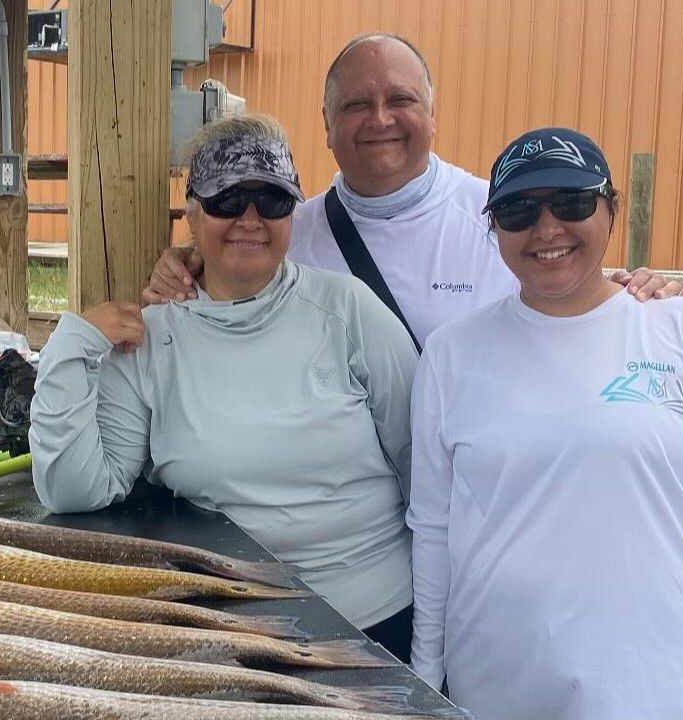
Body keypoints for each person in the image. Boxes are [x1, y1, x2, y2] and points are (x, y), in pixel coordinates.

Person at [408, 127, 683, 720]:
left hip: (658, 690)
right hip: (492, 688)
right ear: (494, 229)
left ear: (612, 209)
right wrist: (425, 678)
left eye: (572, 202)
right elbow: (434, 532)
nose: (546, 229)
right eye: (517, 210)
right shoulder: (450, 353)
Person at [29, 113, 420, 659]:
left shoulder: (348, 310)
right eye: (228, 201)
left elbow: (421, 465)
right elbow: (76, 489)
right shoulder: (149, 341)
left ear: (295, 213)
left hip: (376, 618)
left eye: (274, 201)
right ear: (191, 213)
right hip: (229, 631)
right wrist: (70, 347)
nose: (251, 219)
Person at [143, 33, 679, 346]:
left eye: (400, 100)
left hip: (477, 494)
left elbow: (577, 294)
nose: (380, 120)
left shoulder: (505, 216)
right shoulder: (283, 235)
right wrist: (187, 266)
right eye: (356, 105)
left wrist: (641, 295)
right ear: (326, 121)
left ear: (432, 113)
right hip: (344, 513)